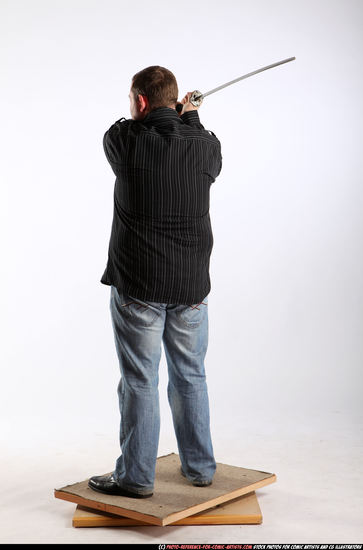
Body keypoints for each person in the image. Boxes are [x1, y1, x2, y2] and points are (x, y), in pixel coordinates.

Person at [88, 66, 222, 498]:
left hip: (140, 286)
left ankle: (135, 478)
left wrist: (173, 114)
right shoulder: (205, 145)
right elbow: (199, 145)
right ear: (176, 99)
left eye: (132, 99)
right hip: (190, 288)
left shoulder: (125, 142)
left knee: (140, 380)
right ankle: (200, 469)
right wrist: (191, 116)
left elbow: (123, 125)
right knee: (191, 376)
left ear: (140, 102)